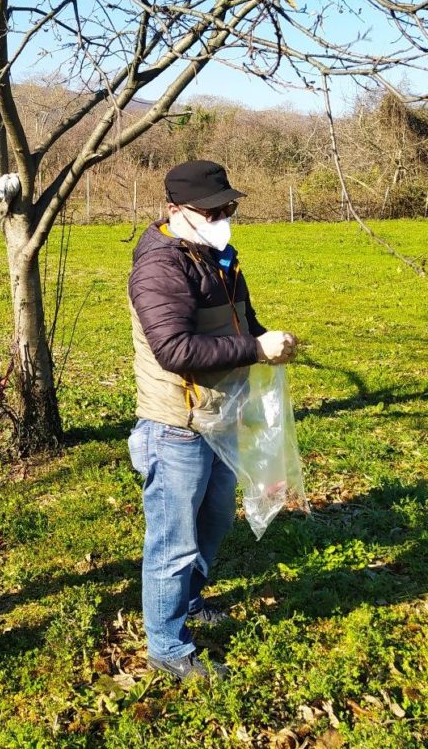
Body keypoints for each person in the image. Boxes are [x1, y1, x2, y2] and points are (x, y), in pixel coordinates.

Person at [127, 160, 297, 682]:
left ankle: (189, 601)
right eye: (212, 210)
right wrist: (254, 348)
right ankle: (167, 647)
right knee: (173, 541)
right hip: (176, 424)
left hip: (219, 414)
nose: (224, 216)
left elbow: (239, 319)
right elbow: (174, 348)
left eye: (229, 207)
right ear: (176, 211)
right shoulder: (160, 267)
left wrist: (269, 338)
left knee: (215, 520)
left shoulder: (218, 256)